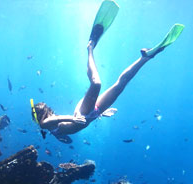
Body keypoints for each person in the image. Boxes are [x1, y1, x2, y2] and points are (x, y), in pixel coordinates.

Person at [30, 0, 184, 144]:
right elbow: (66, 136)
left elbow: (59, 119)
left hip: (82, 114)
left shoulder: (44, 123)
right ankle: (145, 58)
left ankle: (90, 47)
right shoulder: (49, 129)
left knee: (96, 84)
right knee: (119, 86)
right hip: (92, 114)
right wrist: (99, 115)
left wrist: (73, 119)